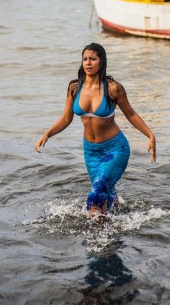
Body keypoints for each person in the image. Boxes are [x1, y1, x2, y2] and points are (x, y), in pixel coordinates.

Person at [35, 43, 156, 216]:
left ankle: (97, 236)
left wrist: (150, 135)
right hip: (91, 152)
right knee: (105, 195)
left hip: (115, 149)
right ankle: (115, 226)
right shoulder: (74, 88)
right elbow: (65, 118)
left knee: (96, 192)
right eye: (85, 59)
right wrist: (47, 134)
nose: (88, 63)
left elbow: (131, 114)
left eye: (93, 59)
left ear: (101, 61)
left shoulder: (113, 88)